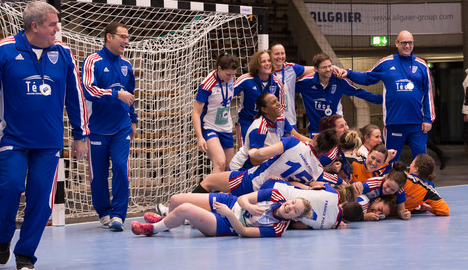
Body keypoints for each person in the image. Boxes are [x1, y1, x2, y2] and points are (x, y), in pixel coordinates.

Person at [0, 1, 89, 270]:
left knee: (41, 200)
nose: (57, 29)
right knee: (10, 189)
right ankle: (2, 237)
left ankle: (25, 254)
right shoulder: (3, 50)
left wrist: (80, 134)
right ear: (34, 26)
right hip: (12, 140)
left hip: (49, 143)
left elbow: (76, 96)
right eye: (52, 24)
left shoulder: (63, 54)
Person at [334, 30, 435, 162]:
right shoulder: (386, 63)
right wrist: (347, 73)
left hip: (417, 123)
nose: (407, 46)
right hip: (394, 122)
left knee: (422, 160)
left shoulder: (421, 65)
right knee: (389, 160)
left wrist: (428, 119)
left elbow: (428, 93)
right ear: (397, 43)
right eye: (404, 43)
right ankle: (385, 182)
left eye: (410, 43)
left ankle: (423, 182)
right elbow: (367, 78)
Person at [82, 22, 137, 231]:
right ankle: (104, 212)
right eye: (122, 36)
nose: (126, 41)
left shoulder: (127, 64)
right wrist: (115, 94)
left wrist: (133, 119)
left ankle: (118, 215)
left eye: (127, 37)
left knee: (122, 169)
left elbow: (130, 94)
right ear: (109, 37)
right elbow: (88, 90)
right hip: (96, 128)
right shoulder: (93, 61)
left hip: (121, 127)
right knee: (99, 175)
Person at [192, 128, 342, 197]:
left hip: (252, 182)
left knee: (209, 180)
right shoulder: (317, 171)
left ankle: (187, 210)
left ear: (316, 137)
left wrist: (251, 152)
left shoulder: (294, 143)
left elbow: (262, 153)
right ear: (326, 151)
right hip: (270, 196)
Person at [132, 182, 313, 238]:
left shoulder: (277, 229)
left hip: (227, 224)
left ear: (295, 218)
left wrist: (227, 214)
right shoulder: (274, 195)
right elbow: (243, 198)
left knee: (186, 208)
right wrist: (248, 206)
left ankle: (152, 229)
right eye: (292, 203)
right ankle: (167, 223)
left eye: (294, 211)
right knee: (176, 200)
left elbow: (243, 232)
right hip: (230, 202)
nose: (289, 207)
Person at [296, 52, 382, 138]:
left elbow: (359, 92)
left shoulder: (339, 80)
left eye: (330, 66)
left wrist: (383, 99)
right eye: (324, 67)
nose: (328, 69)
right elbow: (288, 86)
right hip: (316, 131)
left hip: (336, 130)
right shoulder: (305, 83)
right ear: (316, 69)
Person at [229, 92, 310, 171]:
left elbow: (297, 137)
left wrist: (315, 143)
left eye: (277, 100)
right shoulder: (259, 129)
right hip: (242, 168)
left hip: (263, 164)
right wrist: (280, 155)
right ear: (264, 109)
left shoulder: (281, 119)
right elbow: (254, 160)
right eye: (273, 102)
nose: (278, 103)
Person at [192, 52, 239, 173]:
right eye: (228, 74)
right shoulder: (207, 85)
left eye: (233, 74)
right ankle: (205, 192)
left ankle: (222, 192)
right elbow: (196, 112)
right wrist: (200, 137)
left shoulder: (230, 79)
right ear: (219, 69)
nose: (230, 77)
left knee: (229, 167)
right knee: (220, 163)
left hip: (226, 128)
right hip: (209, 127)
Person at [233, 50, 285, 145]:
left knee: (266, 153)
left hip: (267, 123)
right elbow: (229, 94)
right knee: (246, 153)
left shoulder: (277, 83)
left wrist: (271, 119)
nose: (267, 64)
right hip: (246, 121)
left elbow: (281, 106)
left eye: (269, 61)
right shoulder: (245, 79)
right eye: (263, 61)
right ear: (257, 65)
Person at [270, 43, 314, 130]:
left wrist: (333, 68)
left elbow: (315, 69)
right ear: (270, 55)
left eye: (282, 53)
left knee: (291, 143)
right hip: (271, 119)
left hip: (289, 119)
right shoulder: (266, 70)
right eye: (276, 54)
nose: (280, 56)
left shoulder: (291, 68)